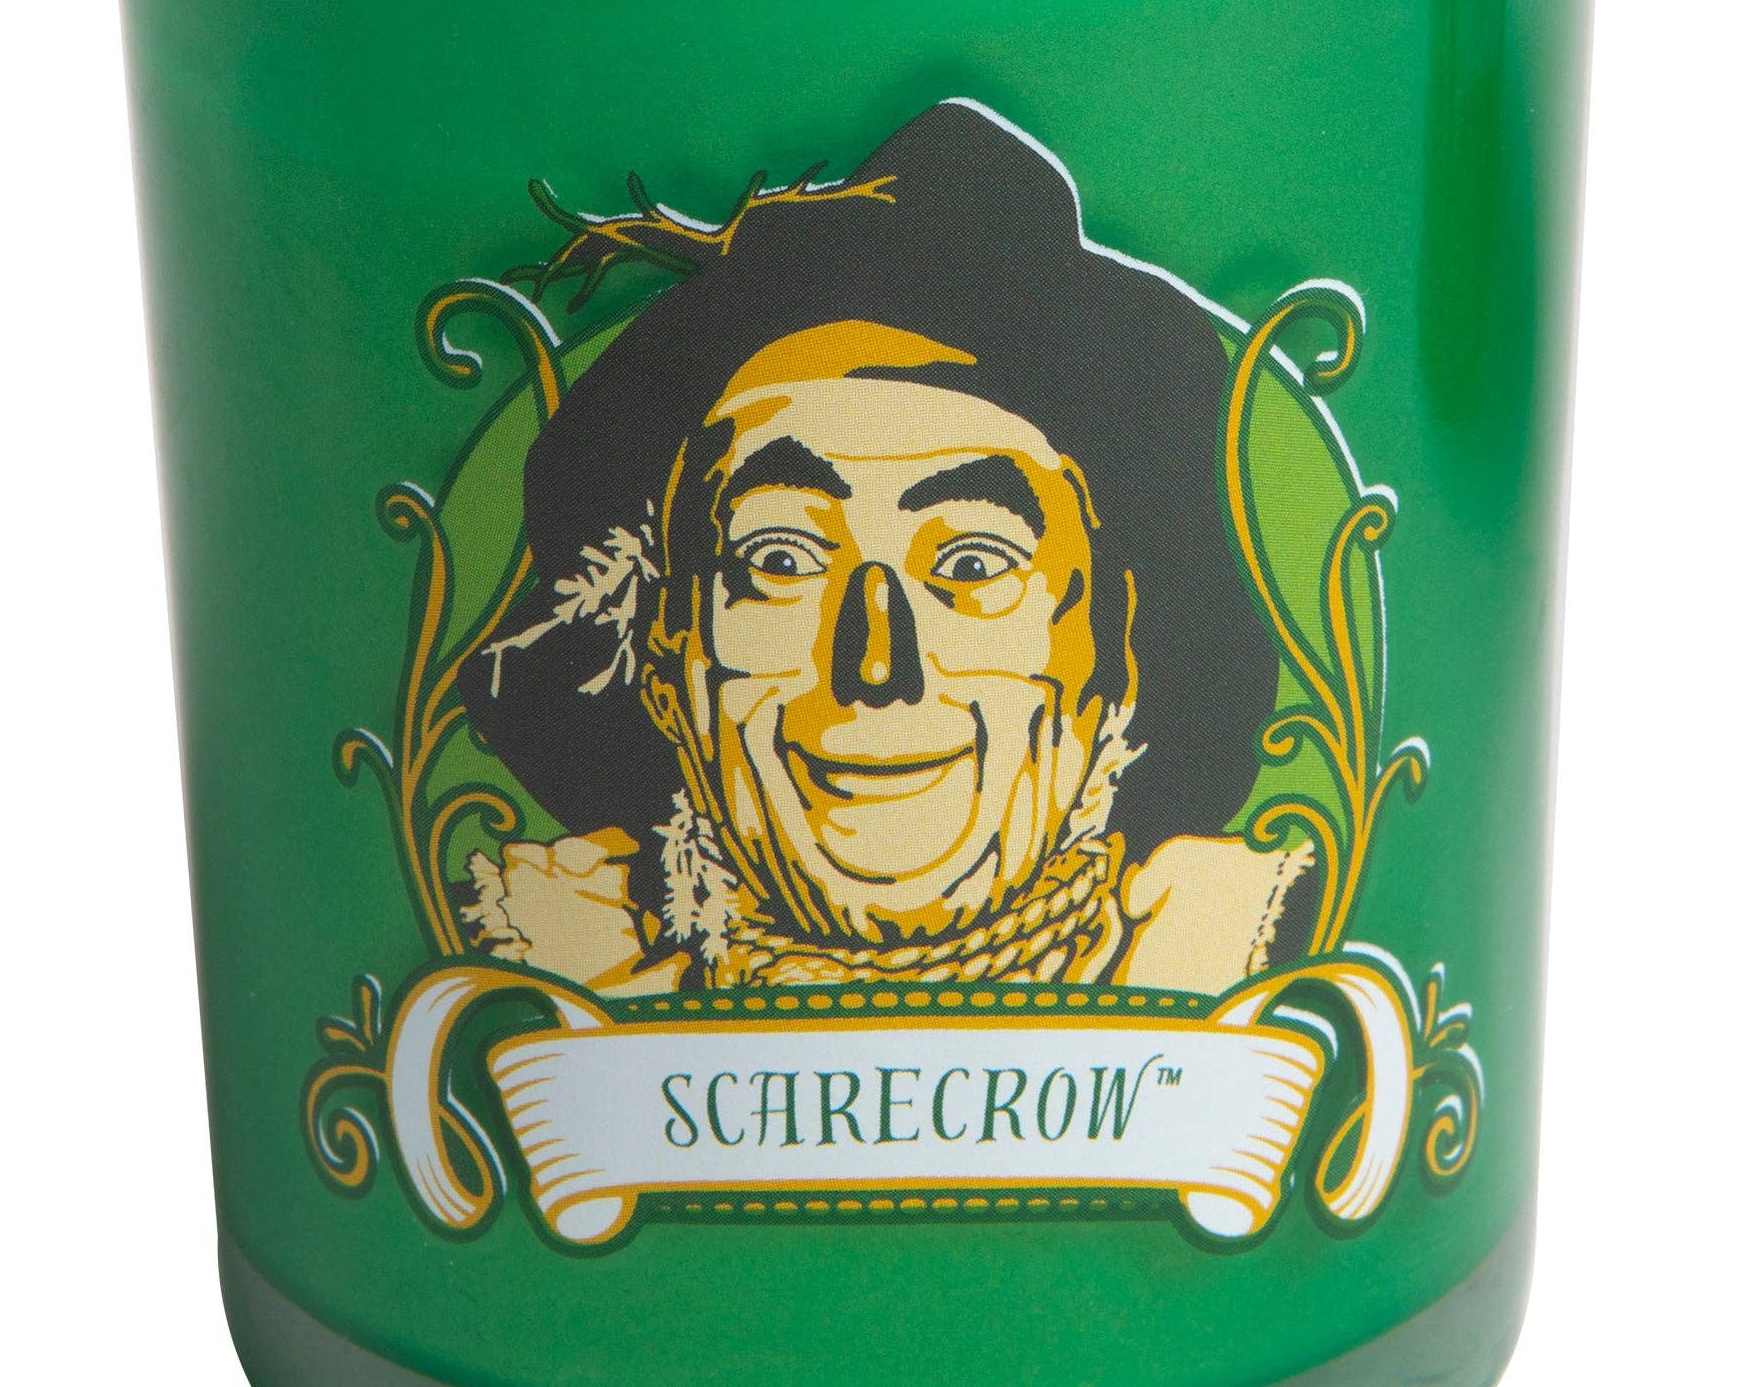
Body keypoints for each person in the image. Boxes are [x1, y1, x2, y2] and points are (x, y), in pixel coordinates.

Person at [458, 100, 1310, 996]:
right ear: (666, 652)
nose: (875, 667)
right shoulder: (552, 960)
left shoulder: (1233, 950)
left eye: (973, 564)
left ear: (1114, 649)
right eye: (781, 561)